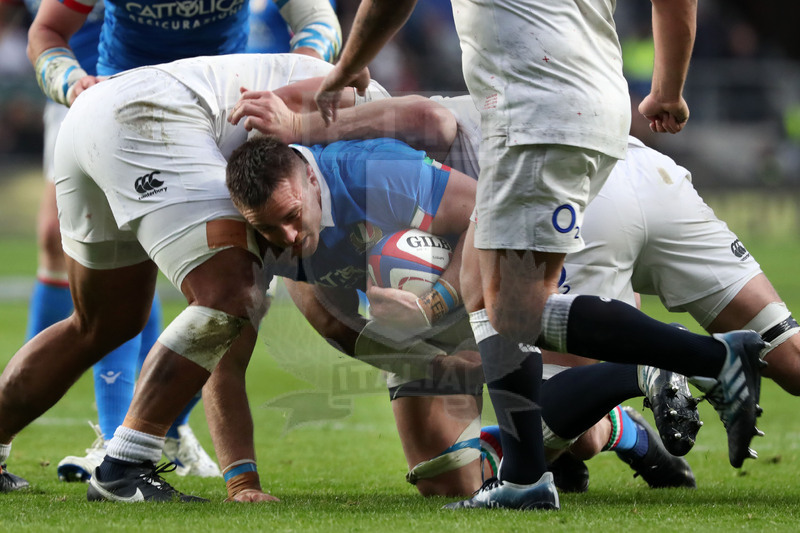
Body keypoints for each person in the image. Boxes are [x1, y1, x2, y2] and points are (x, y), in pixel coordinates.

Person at [309, 0, 766, 511]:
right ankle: (526, 479)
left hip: (539, 113)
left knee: (508, 309)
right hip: (573, 108)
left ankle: (709, 358)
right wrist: (667, 87)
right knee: (491, 296)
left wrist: (346, 69)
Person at [0, 52, 388, 503]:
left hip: (98, 114)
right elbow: (314, 301)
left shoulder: (347, 148)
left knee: (104, 323)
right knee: (228, 294)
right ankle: (125, 465)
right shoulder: (375, 136)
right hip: (148, 117)